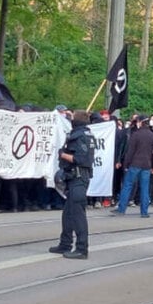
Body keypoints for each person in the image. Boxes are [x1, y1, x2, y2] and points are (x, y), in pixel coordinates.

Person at [49, 111, 96, 259]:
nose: (71, 118)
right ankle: (65, 243)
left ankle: (82, 248)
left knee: (77, 214)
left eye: (73, 117)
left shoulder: (81, 136)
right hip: (74, 178)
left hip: (78, 177)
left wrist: (62, 154)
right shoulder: (84, 134)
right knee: (68, 213)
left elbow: (80, 159)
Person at [112, 115, 153, 217]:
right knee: (145, 188)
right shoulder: (152, 136)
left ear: (140, 122)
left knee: (127, 186)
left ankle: (121, 209)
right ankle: (144, 212)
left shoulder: (136, 135)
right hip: (147, 165)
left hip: (135, 164)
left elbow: (130, 152)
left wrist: (126, 164)